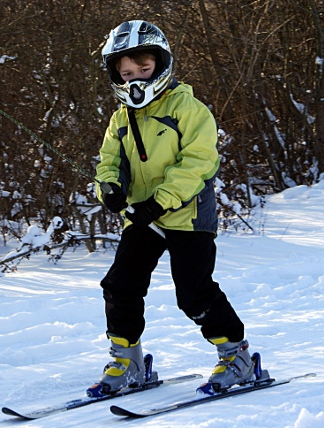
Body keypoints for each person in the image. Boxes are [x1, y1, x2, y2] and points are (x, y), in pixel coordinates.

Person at [92, 20, 255, 395]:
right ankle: (128, 360)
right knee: (120, 286)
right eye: (126, 72)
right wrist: (110, 189)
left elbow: (198, 162)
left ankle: (237, 357)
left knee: (193, 292)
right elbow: (108, 162)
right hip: (142, 217)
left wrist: (159, 202)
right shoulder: (121, 118)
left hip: (188, 215)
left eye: (143, 70)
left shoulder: (189, 109)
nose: (135, 79)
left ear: (161, 65)